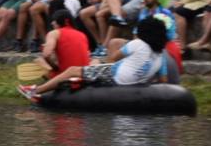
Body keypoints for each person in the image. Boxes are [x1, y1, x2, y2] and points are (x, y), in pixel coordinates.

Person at [23, 16, 170, 99]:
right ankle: (80, 81)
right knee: (93, 66)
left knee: (73, 70)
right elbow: (163, 80)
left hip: (114, 77)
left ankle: (35, 91)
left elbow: (113, 58)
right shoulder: (161, 54)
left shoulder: (138, 44)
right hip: (136, 84)